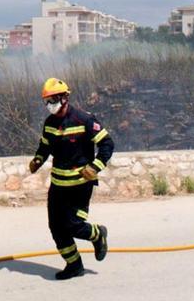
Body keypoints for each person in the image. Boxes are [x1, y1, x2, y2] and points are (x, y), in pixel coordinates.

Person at [29, 77, 115, 280]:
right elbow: (45, 145)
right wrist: (38, 159)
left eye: (53, 99)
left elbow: (107, 144)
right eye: (47, 101)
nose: (50, 105)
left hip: (80, 186)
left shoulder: (84, 120)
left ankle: (97, 234)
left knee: (73, 224)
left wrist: (95, 167)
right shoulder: (50, 123)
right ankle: (74, 265)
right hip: (58, 186)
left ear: (65, 97)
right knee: (56, 227)